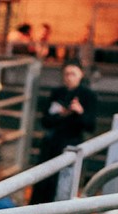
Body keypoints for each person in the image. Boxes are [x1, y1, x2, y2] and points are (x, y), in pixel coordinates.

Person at [30, 61, 98, 205]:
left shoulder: (88, 95)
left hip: (71, 142)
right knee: (43, 179)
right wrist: (61, 114)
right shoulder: (57, 93)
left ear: (81, 75)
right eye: (66, 74)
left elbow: (90, 125)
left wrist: (80, 112)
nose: (69, 77)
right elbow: (45, 120)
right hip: (52, 142)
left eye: (73, 74)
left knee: (63, 180)